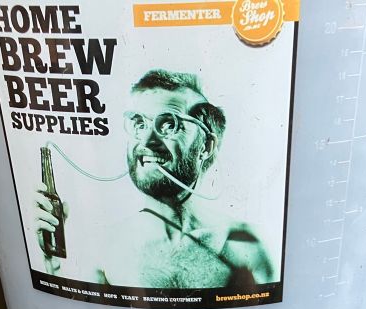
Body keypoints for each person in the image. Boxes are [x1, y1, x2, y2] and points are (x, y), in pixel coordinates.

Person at [34, 70, 274, 290]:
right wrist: (53, 264)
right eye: (139, 124)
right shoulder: (104, 247)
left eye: (169, 125)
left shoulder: (247, 247)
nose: (147, 141)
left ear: (206, 146)